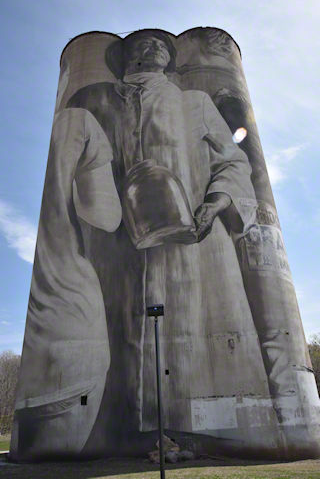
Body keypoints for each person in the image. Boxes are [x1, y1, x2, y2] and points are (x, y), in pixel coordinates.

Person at [65, 30, 266, 455]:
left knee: (189, 328)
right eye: (140, 45)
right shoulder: (97, 102)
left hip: (191, 241)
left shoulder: (194, 103)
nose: (151, 48)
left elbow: (232, 161)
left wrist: (214, 205)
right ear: (126, 60)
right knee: (116, 334)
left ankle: (197, 432)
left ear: (169, 62)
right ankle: (124, 430)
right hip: (116, 245)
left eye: (160, 45)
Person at [10, 108, 122, 460]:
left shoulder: (61, 127)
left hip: (38, 345)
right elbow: (106, 216)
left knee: (34, 460)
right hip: (73, 326)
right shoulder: (80, 121)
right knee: (61, 457)